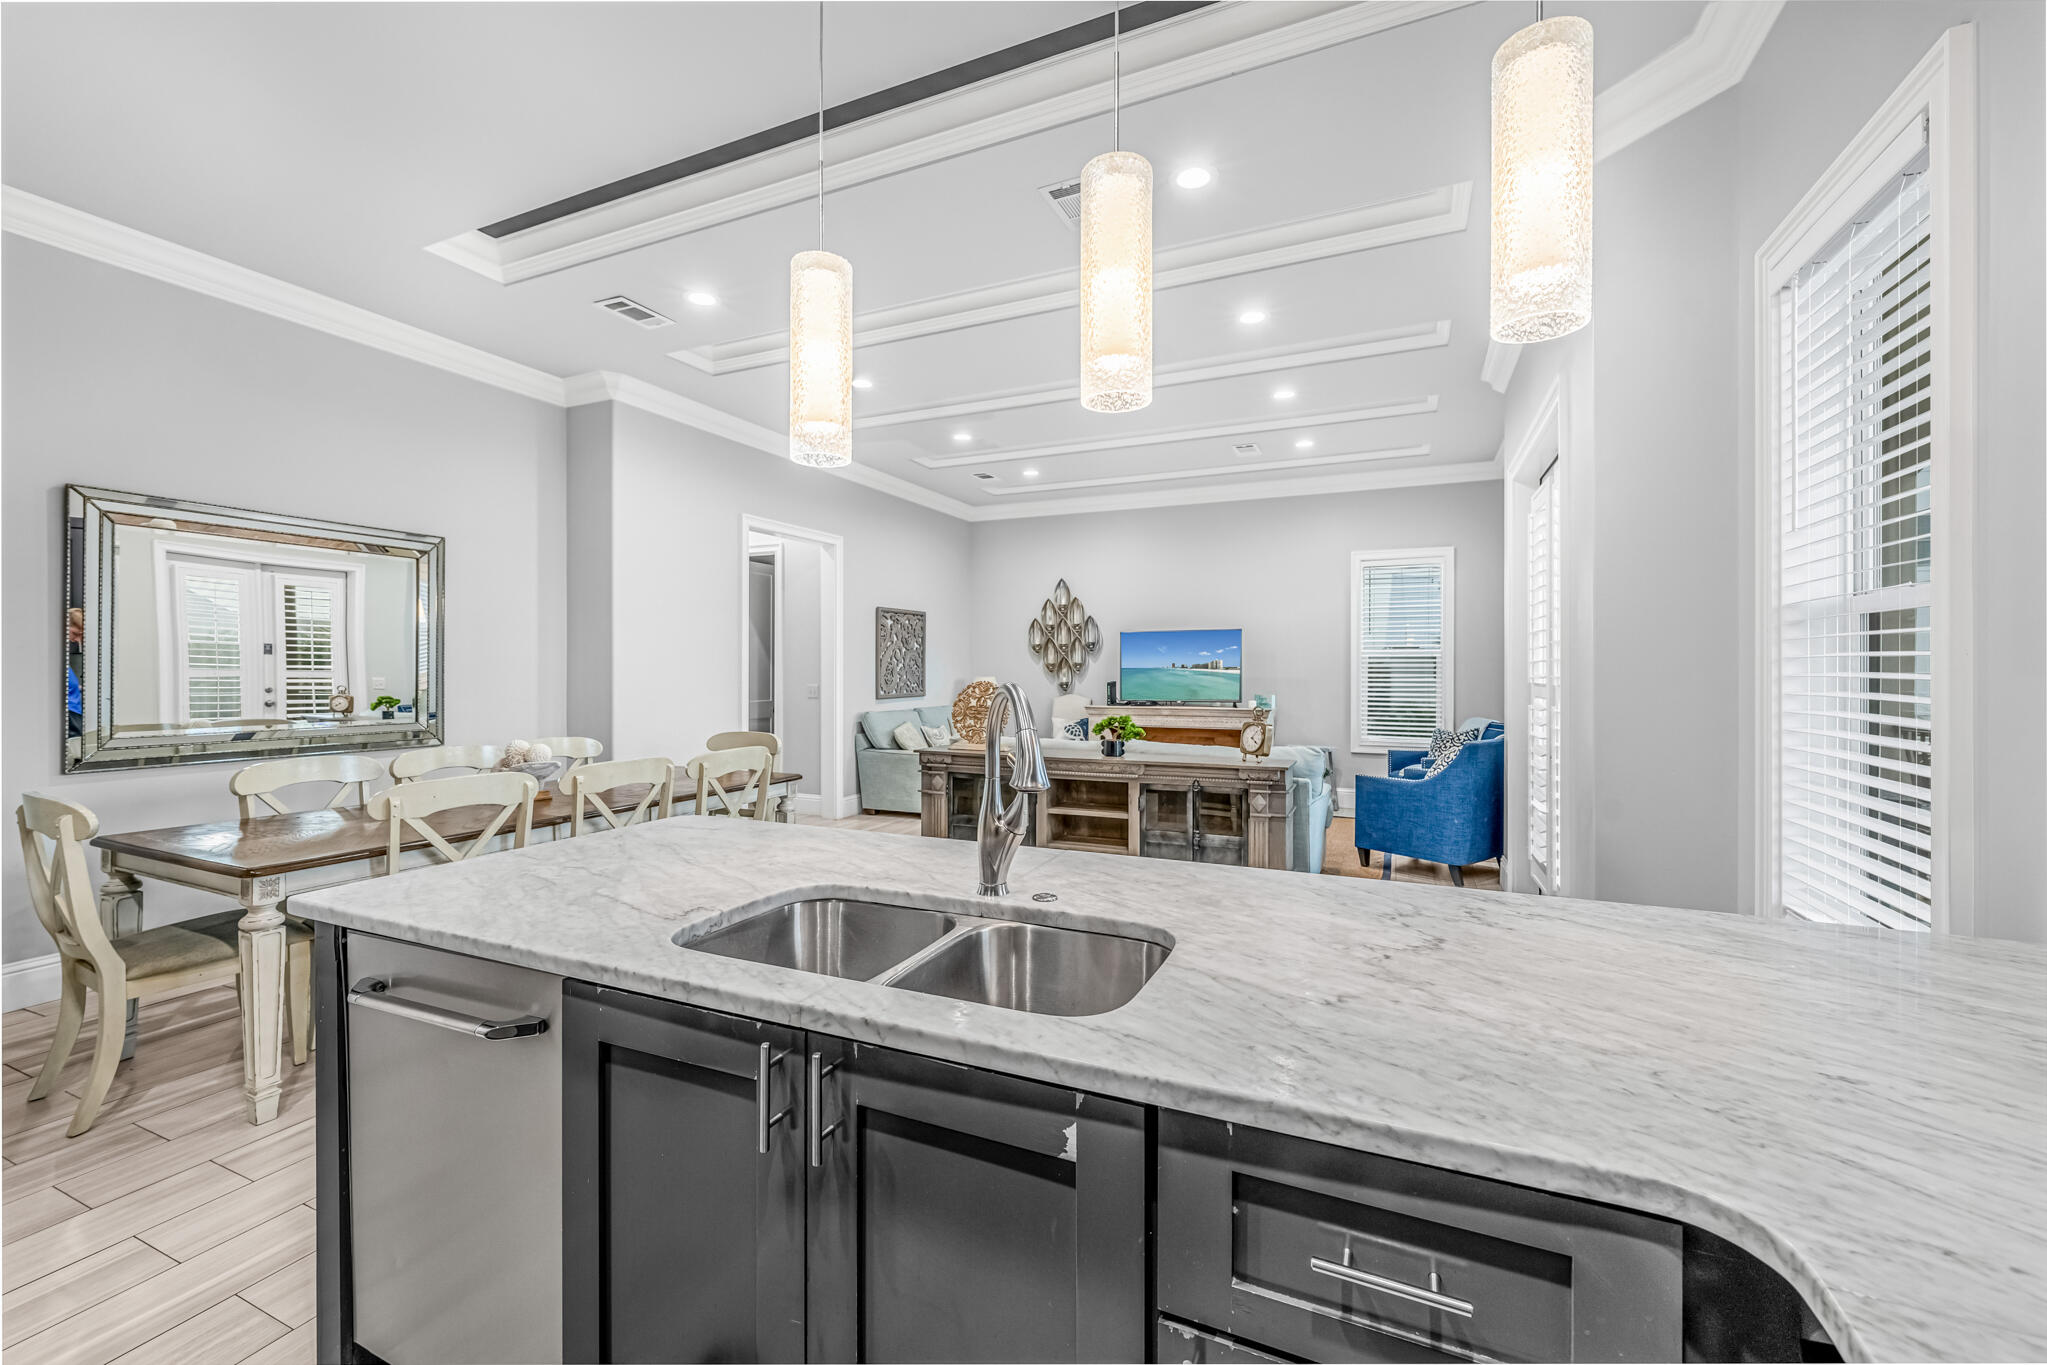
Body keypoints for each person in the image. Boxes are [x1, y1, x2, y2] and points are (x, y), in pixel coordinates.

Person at [66, 607, 84, 738]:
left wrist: (78, 688)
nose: (76, 640)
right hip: (70, 710)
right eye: (75, 633)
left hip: (74, 709)